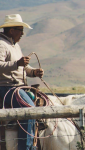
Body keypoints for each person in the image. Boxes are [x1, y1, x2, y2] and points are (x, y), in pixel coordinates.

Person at [0, 14, 44, 150]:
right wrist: (17, 63)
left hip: (17, 87)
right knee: (29, 110)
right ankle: (27, 147)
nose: (23, 33)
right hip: (7, 87)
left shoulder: (15, 45)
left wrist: (34, 72)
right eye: (20, 29)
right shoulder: (1, 44)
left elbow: (22, 67)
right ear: (11, 30)